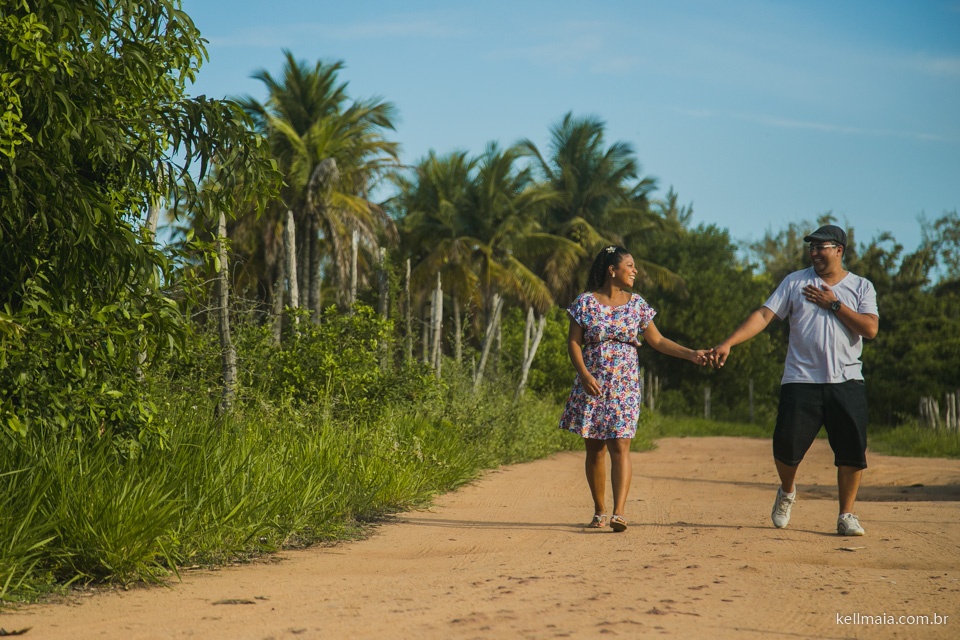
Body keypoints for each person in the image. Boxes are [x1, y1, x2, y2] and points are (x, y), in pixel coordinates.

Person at [709, 225, 878, 536]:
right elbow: (763, 315)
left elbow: (870, 329)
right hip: (801, 379)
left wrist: (834, 305)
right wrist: (729, 342)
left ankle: (846, 514)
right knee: (785, 447)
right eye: (810, 248)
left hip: (847, 381)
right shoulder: (795, 282)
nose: (813, 252)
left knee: (852, 451)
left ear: (838, 250)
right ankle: (787, 491)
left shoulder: (861, 287)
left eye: (820, 247)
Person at [559, 245, 708, 532]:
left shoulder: (637, 304)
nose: (635, 271)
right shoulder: (585, 303)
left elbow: (659, 341)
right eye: (630, 266)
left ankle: (619, 512)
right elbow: (573, 343)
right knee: (595, 448)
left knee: (620, 445)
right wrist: (584, 374)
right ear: (612, 270)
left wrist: (691, 353)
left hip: (625, 385)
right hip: (592, 383)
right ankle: (600, 511)